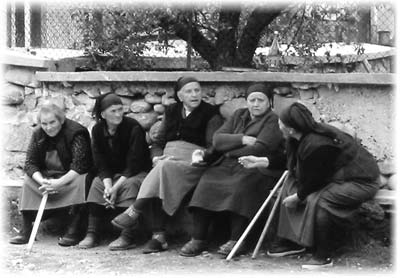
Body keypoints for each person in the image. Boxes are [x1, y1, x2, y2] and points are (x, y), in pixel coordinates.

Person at [245, 102, 380, 269]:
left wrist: (298, 197)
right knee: (289, 186)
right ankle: (293, 242)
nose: (278, 126)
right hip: (332, 179)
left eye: (281, 123)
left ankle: (323, 255)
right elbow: (291, 161)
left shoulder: (319, 144)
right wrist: (262, 161)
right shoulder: (299, 136)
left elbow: (317, 180)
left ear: (291, 128)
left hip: (360, 182)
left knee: (321, 200)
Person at [110, 76, 222, 253]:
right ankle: (158, 237)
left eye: (197, 90)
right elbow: (157, 142)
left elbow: (213, 146)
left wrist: (200, 156)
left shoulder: (211, 114)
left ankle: (136, 211)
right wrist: (156, 158)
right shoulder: (172, 111)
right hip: (168, 162)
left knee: (162, 170)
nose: (194, 94)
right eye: (189, 91)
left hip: (193, 163)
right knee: (160, 169)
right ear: (179, 95)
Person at [179, 83, 286, 257]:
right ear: (247, 101)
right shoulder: (238, 115)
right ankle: (198, 238)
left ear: (270, 103)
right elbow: (217, 140)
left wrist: (228, 149)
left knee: (241, 186)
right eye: (252, 100)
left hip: (256, 165)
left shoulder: (272, 120)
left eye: (261, 100)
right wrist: (242, 139)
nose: (256, 104)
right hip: (227, 165)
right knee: (207, 182)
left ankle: (238, 239)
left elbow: (260, 148)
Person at [9, 101, 93, 246]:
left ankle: (74, 230)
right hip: (47, 178)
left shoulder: (77, 132)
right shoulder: (38, 134)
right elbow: (30, 163)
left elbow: (80, 165)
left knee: (81, 180)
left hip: (70, 176)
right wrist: (42, 181)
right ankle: (26, 230)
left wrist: (59, 183)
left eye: (52, 122)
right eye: (44, 123)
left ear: (61, 120)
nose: (48, 127)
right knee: (28, 181)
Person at [78, 93, 152, 250]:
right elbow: (100, 162)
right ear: (103, 114)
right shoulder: (98, 130)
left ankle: (127, 236)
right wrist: (108, 185)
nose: (118, 114)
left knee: (131, 185)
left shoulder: (133, 127)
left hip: (136, 172)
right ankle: (92, 233)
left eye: (120, 110)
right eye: (113, 111)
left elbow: (134, 163)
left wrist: (115, 188)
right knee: (97, 183)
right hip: (112, 174)